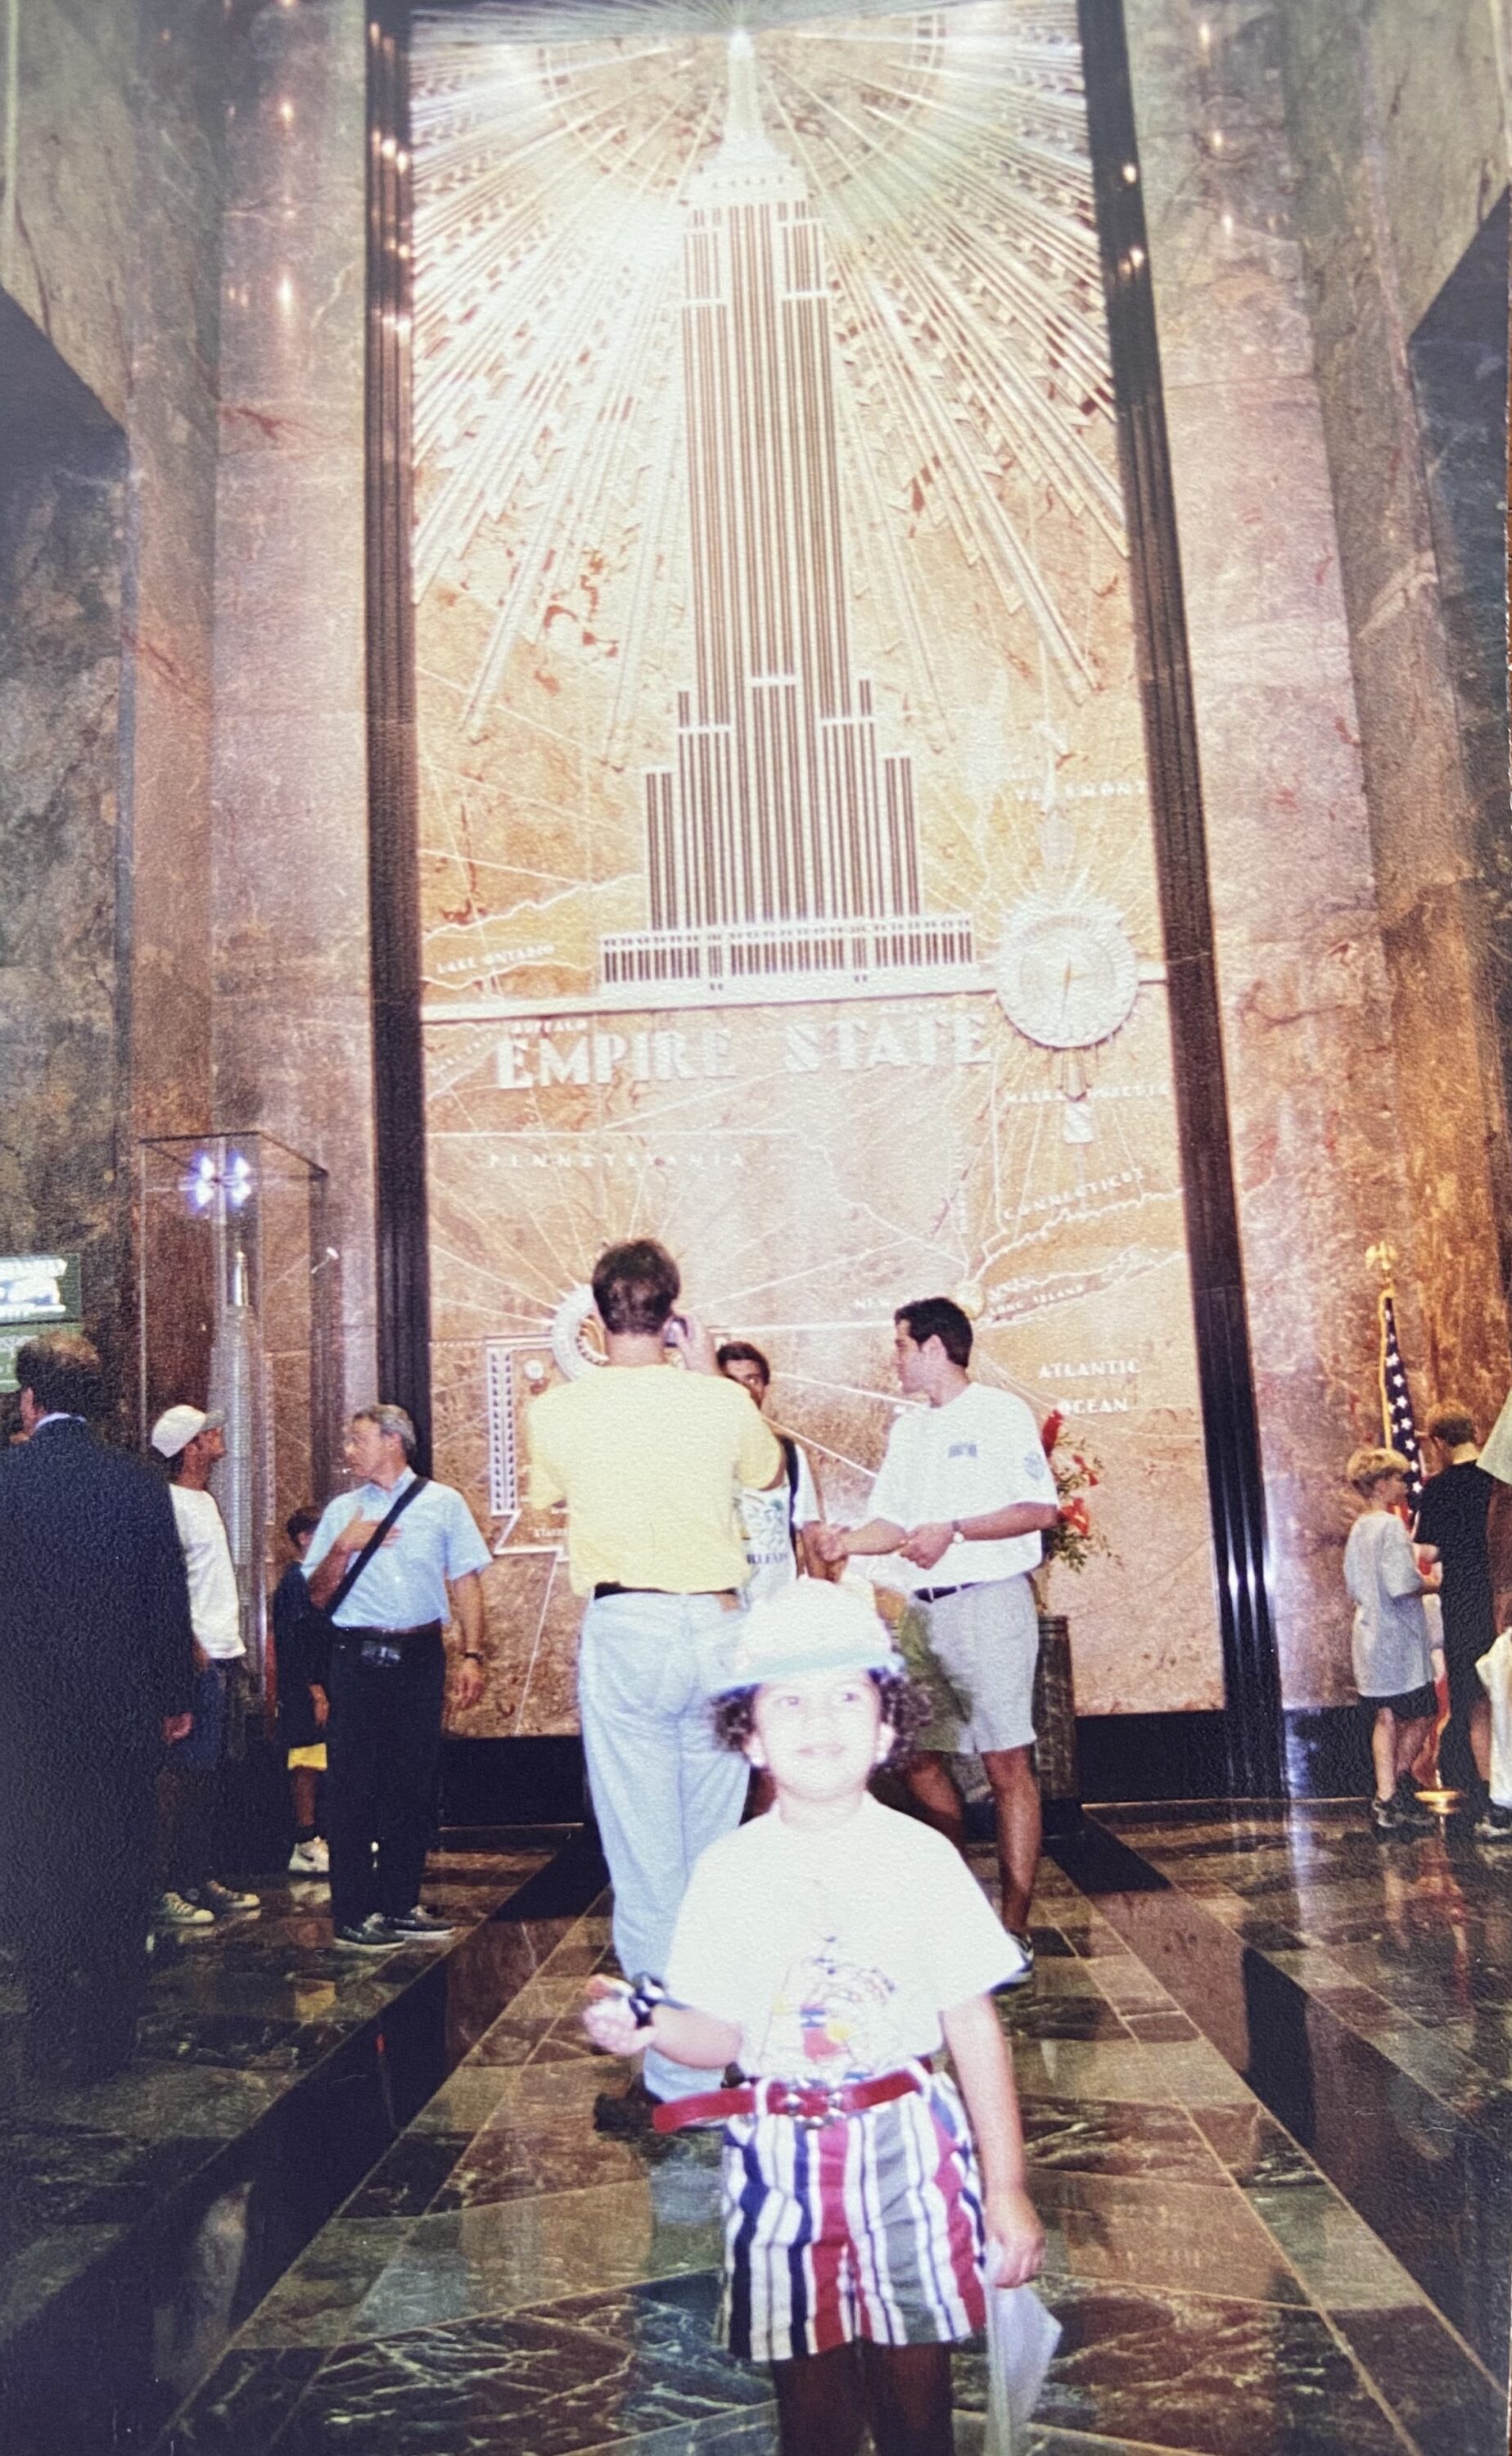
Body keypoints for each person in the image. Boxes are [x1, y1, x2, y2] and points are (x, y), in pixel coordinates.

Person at [581, 1578, 1045, 2456]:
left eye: (845, 1696)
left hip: (908, 2153)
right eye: (786, 1701)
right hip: (778, 2170)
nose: (817, 1720)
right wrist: (649, 2027)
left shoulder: (922, 1860)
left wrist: (1007, 2187)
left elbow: (973, 2029)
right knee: (812, 2410)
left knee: (916, 2402)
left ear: (884, 1728)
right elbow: (717, 2034)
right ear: (748, 1736)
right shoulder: (728, 1872)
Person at [528, 1238, 783, 2131]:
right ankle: (722, 2044)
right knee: (711, 1855)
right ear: (672, 1312)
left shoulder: (559, 1410)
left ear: (598, 1316)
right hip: (716, 1626)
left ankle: (676, 2083)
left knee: (644, 1864)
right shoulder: (719, 1399)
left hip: (628, 1628)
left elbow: (543, 1500)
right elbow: (766, 1474)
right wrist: (706, 1365)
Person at [810, 1298, 1058, 1970]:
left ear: (933, 1347)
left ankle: (1012, 1928)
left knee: (1006, 1764)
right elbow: (890, 1522)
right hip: (922, 1612)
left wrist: (957, 1527)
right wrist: (844, 1543)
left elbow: (1039, 1509)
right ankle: (953, 1903)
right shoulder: (908, 1431)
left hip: (990, 1605)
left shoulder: (999, 1413)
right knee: (912, 1755)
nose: (892, 1358)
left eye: (898, 1345)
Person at [0, 1334, 194, 2080]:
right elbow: (163, 1598)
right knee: (117, 1850)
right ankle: (113, 2012)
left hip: (24, 1713)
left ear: (30, 1399)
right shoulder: (138, 1484)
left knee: (37, 1851)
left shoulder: (7, 1480)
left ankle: (50, 2000)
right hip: (119, 1708)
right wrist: (175, 1696)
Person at [304, 1404, 490, 1948]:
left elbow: (466, 1582)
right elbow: (315, 1596)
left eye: (357, 1439)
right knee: (353, 1785)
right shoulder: (342, 1511)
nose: (348, 1451)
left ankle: (401, 1902)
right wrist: (342, 1547)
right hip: (357, 1657)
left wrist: (472, 1654)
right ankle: (353, 1912)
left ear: (392, 1441)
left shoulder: (444, 1504)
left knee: (412, 1782)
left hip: (420, 1655)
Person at [151, 1404, 262, 1926]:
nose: (218, 1436)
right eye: (207, 1433)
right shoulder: (167, 1503)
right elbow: (164, 1584)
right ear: (189, 1449)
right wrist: (188, 1644)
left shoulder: (203, 1501)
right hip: (194, 1658)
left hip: (221, 1653)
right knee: (180, 1776)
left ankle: (199, 1876)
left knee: (207, 1776)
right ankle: (168, 1886)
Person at [1415, 1402, 1505, 1833]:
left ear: (1438, 1442)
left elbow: (1427, 1553)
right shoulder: (1499, 1481)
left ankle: (1493, 1796)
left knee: (1475, 1703)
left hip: (1465, 1601)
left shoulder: (1438, 1488)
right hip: (1503, 1598)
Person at [1343, 1447, 1441, 1835]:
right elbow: (1402, 1584)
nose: (1404, 1485)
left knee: (1384, 1715)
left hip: (1369, 1633)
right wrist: (1432, 1583)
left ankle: (1385, 1797)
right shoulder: (1389, 1526)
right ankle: (1395, 1787)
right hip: (1398, 1636)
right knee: (1422, 1711)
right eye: (1399, 1478)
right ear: (1382, 1483)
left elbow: (1354, 1584)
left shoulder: (1359, 1527)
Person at [717, 1339, 824, 1600]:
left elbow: (810, 1529)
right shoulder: (701, 1454)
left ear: (765, 1387)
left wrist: (824, 1599)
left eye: (752, 1380)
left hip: (776, 1606)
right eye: (733, 1382)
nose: (745, 1391)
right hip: (720, 1606)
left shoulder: (789, 1454)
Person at [273, 1506, 330, 1876]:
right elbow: (295, 1642)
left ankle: (321, 1835)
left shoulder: (318, 1580)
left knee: (320, 1760)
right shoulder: (296, 1583)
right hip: (304, 1690)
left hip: (321, 1685)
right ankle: (305, 1840)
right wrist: (314, 1689)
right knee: (306, 1764)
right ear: (305, 1538)